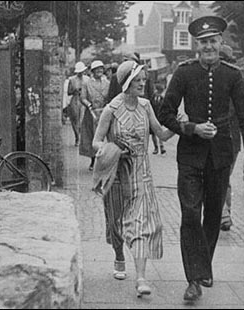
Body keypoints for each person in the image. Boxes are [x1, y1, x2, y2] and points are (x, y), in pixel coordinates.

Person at [159, 15, 244, 301]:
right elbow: (165, 112)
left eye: (213, 41)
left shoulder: (233, 74)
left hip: (221, 154)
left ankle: (203, 268)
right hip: (190, 154)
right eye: (203, 42)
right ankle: (194, 279)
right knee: (190, 214)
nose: (208, 46)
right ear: (196, 45)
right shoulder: (184, 73)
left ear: (220, 42)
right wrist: (191, 128)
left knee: (213, 215)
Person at [92, 60, 176, 297]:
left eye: (143, 80)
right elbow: (96, 141)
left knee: (141, 225)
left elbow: (160, 133)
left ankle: (140, 278)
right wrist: (113, 149)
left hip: (142, 175)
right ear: (127, 82)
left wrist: (179, 124)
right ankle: (119, 254)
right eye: (138, 80)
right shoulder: (111, 110)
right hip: (116, 175)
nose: (143, 83)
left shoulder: (146, 106)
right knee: (116, 223)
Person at [218, 44, 240, 231]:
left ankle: (224, 214)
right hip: (234, 140)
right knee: (224, 178)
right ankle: (225, 213)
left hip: (226, 138)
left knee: (220, 177)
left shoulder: (228, 83)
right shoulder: (236, 80)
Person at [80, 60, 110, 171]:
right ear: (92, 71)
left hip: (104, 112)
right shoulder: (87, 83)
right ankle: (93, 160)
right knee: (92, 136)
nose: (100, 71)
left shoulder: (107, 83)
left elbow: (110, 96)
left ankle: (104, 160)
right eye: (97, 69)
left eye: (101, 69)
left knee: (105, 136)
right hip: (92, 113)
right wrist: (88, 104)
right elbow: (82, 97)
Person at [67, 61, 90, 146]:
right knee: (75, 120)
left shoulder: (87, 79)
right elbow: (69, 92)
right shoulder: (72, 80)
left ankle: (83, 138)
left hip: (84, 99)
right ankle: (77, 138)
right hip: (75, 100)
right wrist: (74, 90)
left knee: (82, 120)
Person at [150, 84, 166, 155]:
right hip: (153, 117)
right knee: (153, 133)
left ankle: (162, 147)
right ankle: (156, 147)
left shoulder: (162, 99)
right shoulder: (152, 98)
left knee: (159, 132)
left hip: (159, 118)